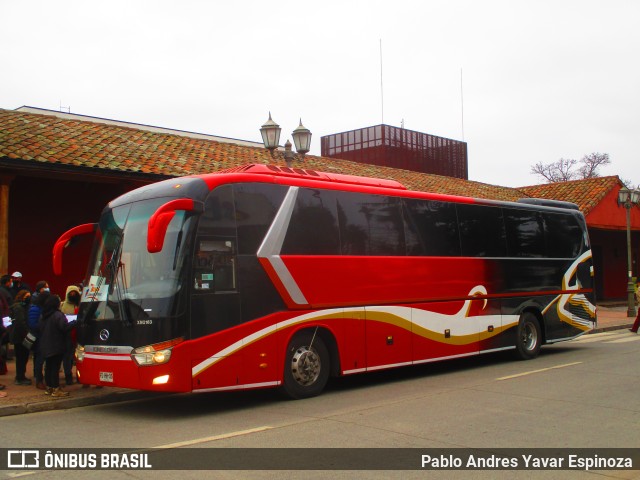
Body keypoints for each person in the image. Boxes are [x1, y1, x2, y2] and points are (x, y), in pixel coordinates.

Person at [39, 295, 76, 397]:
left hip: (46, 344)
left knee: (48, 367)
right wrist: (74, 322)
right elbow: (64, 327)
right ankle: (56, 389)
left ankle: (49, 388)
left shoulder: (43, 315)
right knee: (55, 368)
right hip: (57, 344)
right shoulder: (58, 315)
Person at [28, 291, 50, 390]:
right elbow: (33, 324)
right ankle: (39, 380)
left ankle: (43, 379)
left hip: (43, 337)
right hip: (38, 338)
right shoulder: (35, 309)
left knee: (42, 359)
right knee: (39, 360)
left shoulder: (43, 308)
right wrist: (44, 327)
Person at [60, 285, 81, 385]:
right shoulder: (63, 306)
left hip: (79, 335)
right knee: (67, 357)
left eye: (75, 293)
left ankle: (80, 375)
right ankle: (68, 375)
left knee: (79, 357)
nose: (73, 295)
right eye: (71, 293)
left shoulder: (81, 305)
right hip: (68, 334)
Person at [10, 289, 32, 385]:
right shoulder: (18, 307)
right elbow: (20, 323)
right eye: (27, 296)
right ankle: (20, 377)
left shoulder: (22, 307)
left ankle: (21, 376)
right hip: (20, 337)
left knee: (23, 357)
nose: (28, 298)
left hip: (20, 336)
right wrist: (27, 334)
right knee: (21, 357)